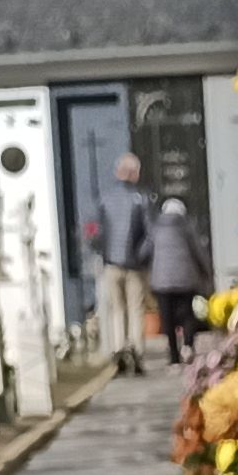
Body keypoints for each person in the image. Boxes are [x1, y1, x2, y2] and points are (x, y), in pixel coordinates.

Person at [84, 149, 157, 374]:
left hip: (111, 264)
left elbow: (94, 231)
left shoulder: (104, 199)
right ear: (134, 173)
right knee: (136, 309)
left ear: (118, 172)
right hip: (134, 266)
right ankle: (135, 351)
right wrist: (141, 256)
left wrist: (103, 252)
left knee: (116, 309)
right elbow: (151, 233)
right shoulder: (142, 199)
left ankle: (118, 352)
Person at [144, 188, 211, 363]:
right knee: (188, 314)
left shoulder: (155, 227)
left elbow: (146, 250)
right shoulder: (187, 226)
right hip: (185, 278)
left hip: (162, 281)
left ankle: (173, 357)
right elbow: (198, 250)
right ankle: (188, 345)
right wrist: (207, 271)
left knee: (167, 318)